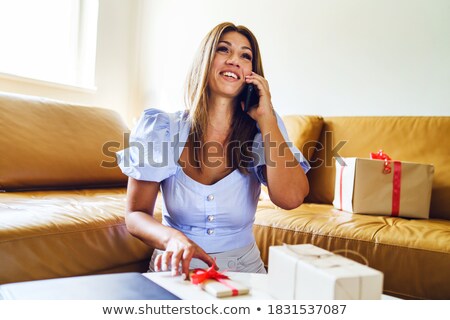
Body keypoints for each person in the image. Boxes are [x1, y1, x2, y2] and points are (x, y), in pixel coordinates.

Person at [116, 22, 310, 279]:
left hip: (246, 271)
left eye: (245, 56)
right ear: (205, 60)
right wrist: (172, 239)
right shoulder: (162, 128)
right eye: (223, 50)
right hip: (175, 270)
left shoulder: (264, 129)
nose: (234, 60)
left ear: (253, 73)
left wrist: (267, 119)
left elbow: (291, 198)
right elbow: (136, 215)